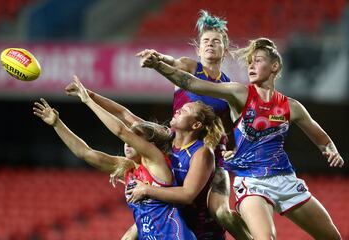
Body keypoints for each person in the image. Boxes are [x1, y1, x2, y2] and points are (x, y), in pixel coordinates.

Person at [142, 37, 344, 240]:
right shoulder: (239, 93)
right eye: (250, 62)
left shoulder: (292, 107)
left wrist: (330, 149)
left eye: (258, 60)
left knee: (332, 237)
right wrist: (158, 65)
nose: (251, 65)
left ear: (274, 66)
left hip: (286, 180)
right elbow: (193, 84)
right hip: (252, 182)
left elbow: (322, 138)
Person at [64, 77, 228, 239]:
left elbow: (187, 195)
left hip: (199, 228)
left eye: (185, 111)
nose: (177, 110)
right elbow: (123, 113)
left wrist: (147, 189)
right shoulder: (164, 138)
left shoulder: (202, 153)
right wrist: (90, 95)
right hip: (168, 217)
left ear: (196, 125)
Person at [136, 10, 251, 240]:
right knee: (154, 210)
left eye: (216, 41)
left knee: (221, 212)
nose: (210, 44)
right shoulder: (189, 67)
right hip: (178, 154)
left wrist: (234, 148)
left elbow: (231, 124)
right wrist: (157, 58)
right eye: (206, 41)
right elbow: (173, 62)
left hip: (212, 158)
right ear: (198, 48)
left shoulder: (229, 86)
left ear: (224, 50)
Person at [32, 93, 196, 239]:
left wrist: (89, 101)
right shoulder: (129, 170)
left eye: (135, 138)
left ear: (150, 145)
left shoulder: (157, 163)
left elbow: (120, 130)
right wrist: (57, 124)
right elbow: (86, 153)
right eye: (129, 138)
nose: (127, 142)